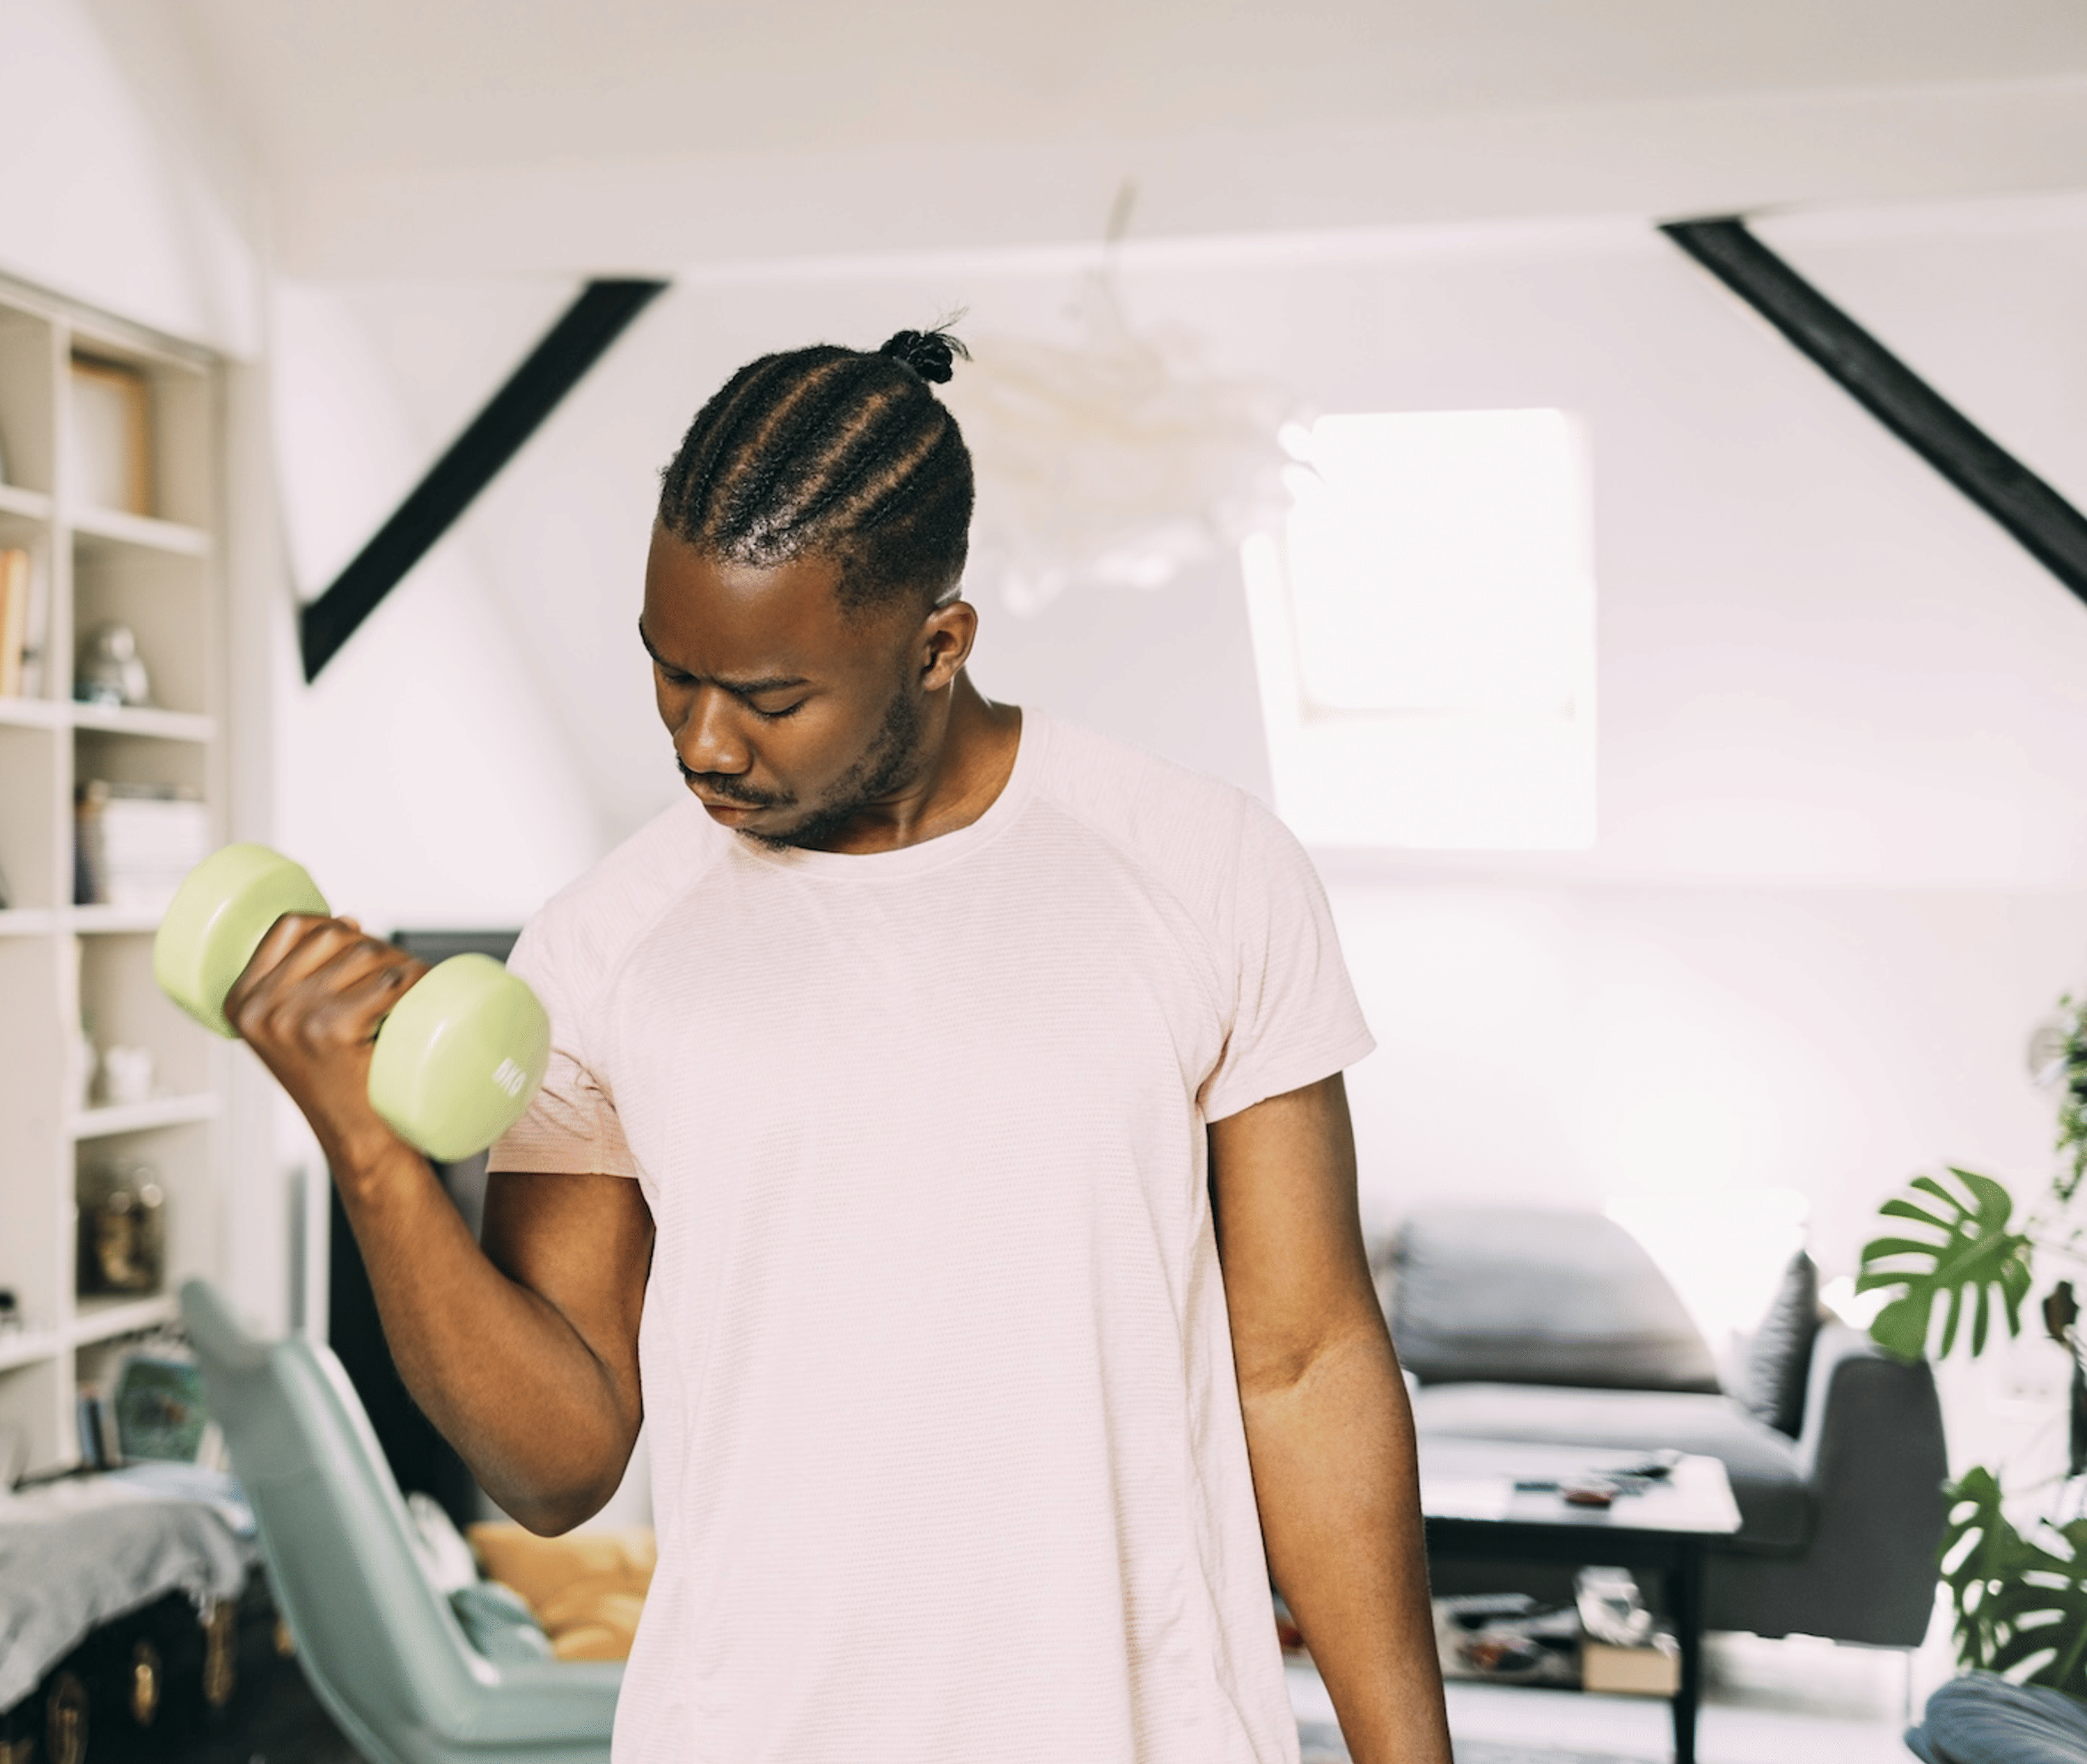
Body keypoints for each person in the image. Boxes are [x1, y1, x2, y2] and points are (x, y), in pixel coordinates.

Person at [227, 328, 1453, 1763]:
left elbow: (1305, 1365)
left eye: (768, 697)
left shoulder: (1203, 867)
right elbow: (557, 1468)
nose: (704, 744)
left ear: (938, 646)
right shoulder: (604, 946)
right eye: (670, 675)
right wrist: (369, 1155)